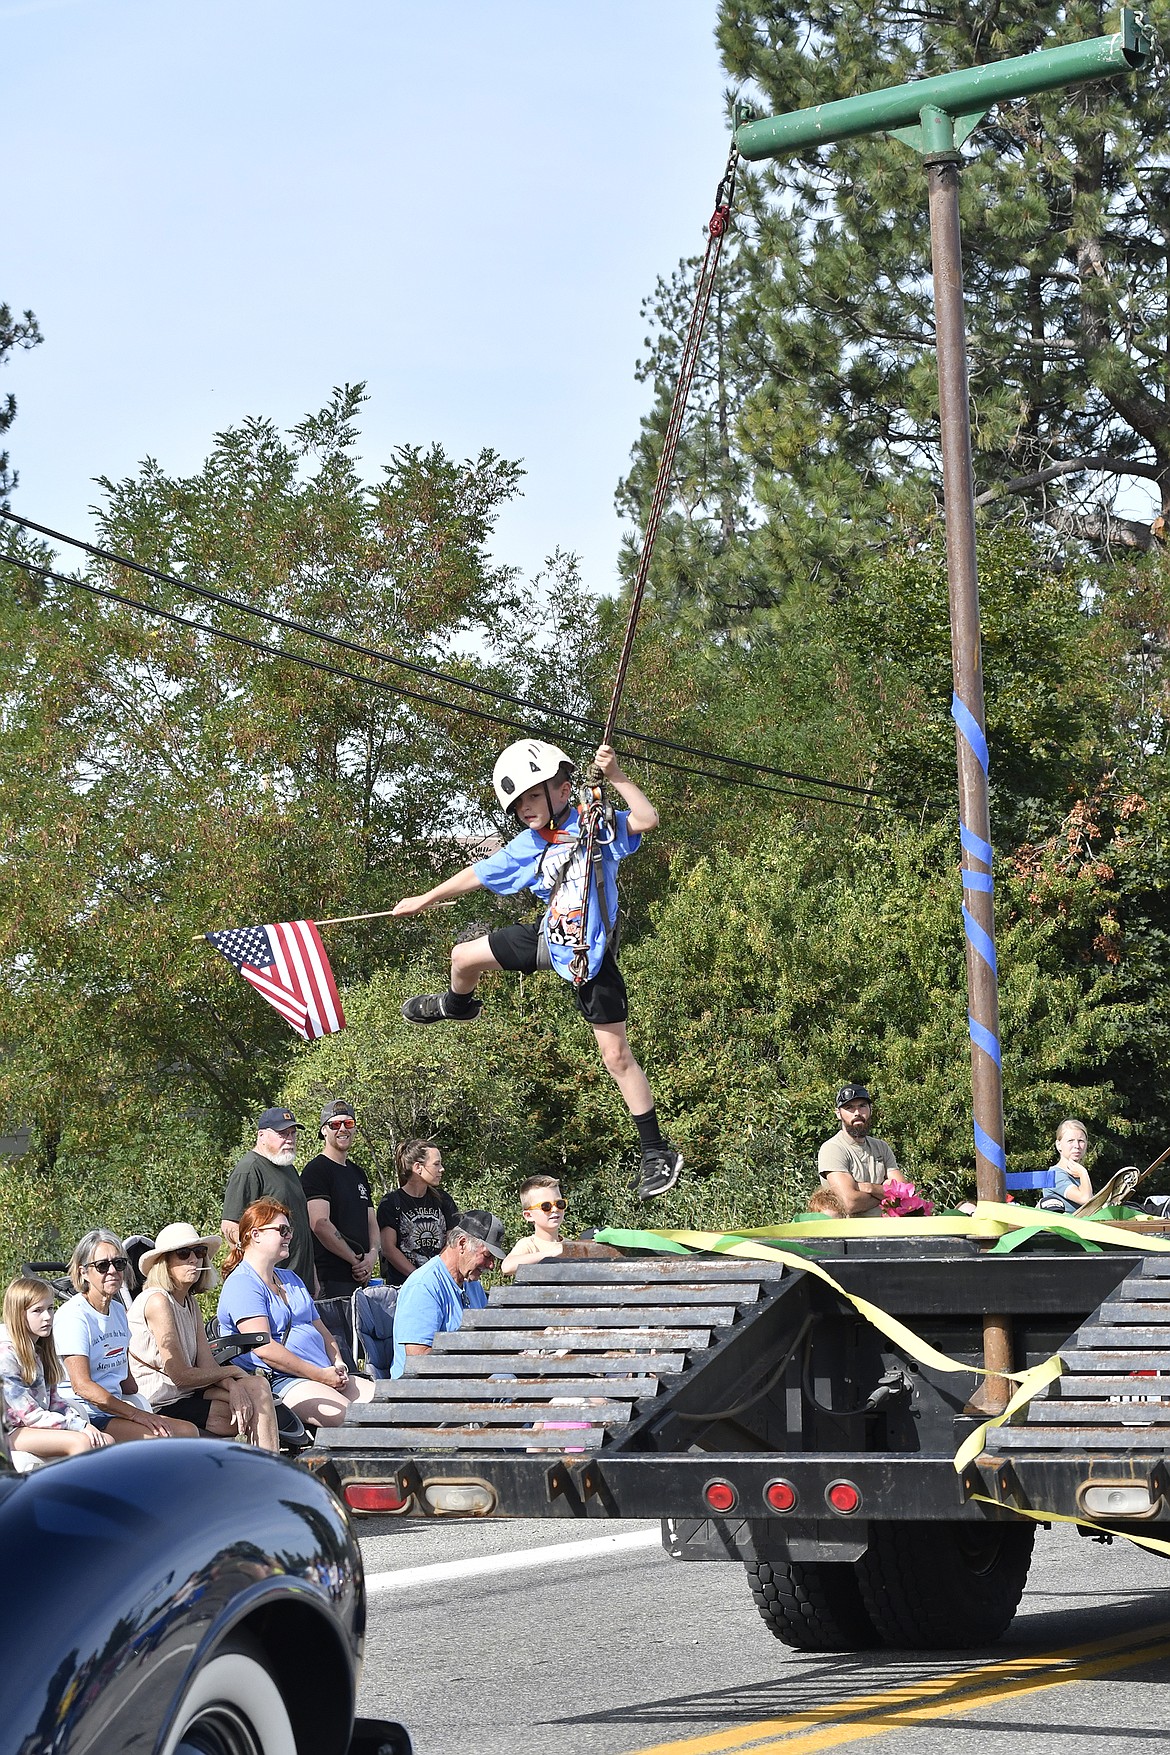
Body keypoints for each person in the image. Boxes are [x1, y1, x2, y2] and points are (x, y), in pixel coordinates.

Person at [392, 738, 683, 1202]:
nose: (525, 808)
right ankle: (457, 1005)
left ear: (563, 790)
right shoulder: (532, 844)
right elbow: (477, 873)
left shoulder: (596, 825)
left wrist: (617, 777)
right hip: (550, 941)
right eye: (518, 802)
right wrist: (425, 899)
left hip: (590, 958)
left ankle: (655, 1152)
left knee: (616, 1057)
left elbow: (647, 820)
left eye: (533, 796)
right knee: (462, 957)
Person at [216, 1198, 375, 1427]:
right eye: (282, 1230)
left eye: (289, 1230)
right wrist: (320, 1376)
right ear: (255, 1234)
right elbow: (265, 1349)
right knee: (357, 1422)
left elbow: (322, 1330)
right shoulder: (242, 1284)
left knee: (388, 1411)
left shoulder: (291, 1279)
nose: (289, 1235)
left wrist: (338, 1363)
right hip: (284, 1382)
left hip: (328, 1374)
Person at [127, 1222, 279, 1451]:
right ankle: (268, 1473)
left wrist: (233, 1386)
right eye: (183, 1254)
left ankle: (266, 1469)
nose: (193, 1260)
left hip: (187, 1395)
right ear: (164, 1263)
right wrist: (234, 1373)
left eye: (199, 1253)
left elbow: (206, 1364)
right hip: (160, 1401)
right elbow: (180, 1376)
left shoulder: (189, 1301)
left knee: (256, 1385)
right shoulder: (157, 1301)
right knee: (258, 1403)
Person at [53, 1231, 198, 1441]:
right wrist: (136, 1414)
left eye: (119, 1264)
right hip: (84, 1415)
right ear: (83, 1272)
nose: (112, 1271)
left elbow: (126, 1378)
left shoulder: (119, 1311)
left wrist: (142, 1398)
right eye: (102, 1265)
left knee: (188, 1431)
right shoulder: (74, 1316)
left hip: (115, 1410)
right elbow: (82, 1386)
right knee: (170, 1439)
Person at [1, 1275, 111, 1462]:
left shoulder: (41, 1351)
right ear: (19, 1314)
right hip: (11, 1431)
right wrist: (78, 1427)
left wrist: (83, 1424)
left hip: (32, 1426)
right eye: (37, 1311)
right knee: (81, 1443)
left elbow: (55, 1402)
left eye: (50, 1308)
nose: (47, 1317)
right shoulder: (6, 1355)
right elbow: (28, 1414)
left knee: (106, 1441)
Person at [390, 1211, 505, 1377]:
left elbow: (487, 1338)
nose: (492, 1265)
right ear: (463, 1244)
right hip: (422, 1390)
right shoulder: (423, 1286)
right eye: (487, 1255)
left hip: (465, 1382)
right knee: (505, 1384)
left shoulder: (473, 1285)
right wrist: (475, 1365)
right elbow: (418, 1357)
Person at [221, 1106, 316, 1291]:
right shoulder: (249, 1169)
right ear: (261, 1135)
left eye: (292, 1133)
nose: (289, 1139)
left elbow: (302, 1227)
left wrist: (313, 1275)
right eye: (282, 1134)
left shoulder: (288, 1167)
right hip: (272, 1284)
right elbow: (230, 1227)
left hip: (300, 1282)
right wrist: (261, 1277)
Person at [301, 1101, 380, 1299]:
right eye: (335, 1125)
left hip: (361, 1278)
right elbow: (320, 1224)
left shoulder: (357, 1172)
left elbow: (371, 1220)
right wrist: (355, 1261)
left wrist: (372, 1256)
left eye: (349, 1124)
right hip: (332, 1279)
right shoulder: (316, 1171)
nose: (343, 1129)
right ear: (324, 1132)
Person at [377, 1139, 459, 1285]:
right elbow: (388, 1248)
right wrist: (420, 1278)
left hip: (439, 1282)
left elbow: (452, 1241)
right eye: (436, 1164)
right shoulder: (391, 1202)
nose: (441, 1169)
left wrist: (436, 1273)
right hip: (404, 1285)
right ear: (418, 1167)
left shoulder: (443, 1200)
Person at [816, 1084, 898, 1217]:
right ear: (838, 1113)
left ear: (870, 1109)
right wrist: (887, 1193)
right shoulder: (833, 1148)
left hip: (888, 1231)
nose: (857, 1113)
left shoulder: (881, 1147)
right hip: (853, 1234)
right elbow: (849, 1203)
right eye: (849, 1107)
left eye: (862, 1106)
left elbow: (904, 1194)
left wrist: (869, 1188)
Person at [501, 1174, 566, 1276]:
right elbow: (507, 1266)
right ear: (528, 1215)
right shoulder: (528, 1245)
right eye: (546, 1206)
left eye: (559, 1204)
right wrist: (553, 1253)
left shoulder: (570, 1245)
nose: (555, 1209)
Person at [1043, 1118, 1094, 1212]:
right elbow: (1085, 1199)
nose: (1077, 1146)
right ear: (1059, 1145)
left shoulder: (1077, 1173)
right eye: (1070, 1141)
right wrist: (1083, 1172)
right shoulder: (1054, 1175)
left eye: (1081, 1141)